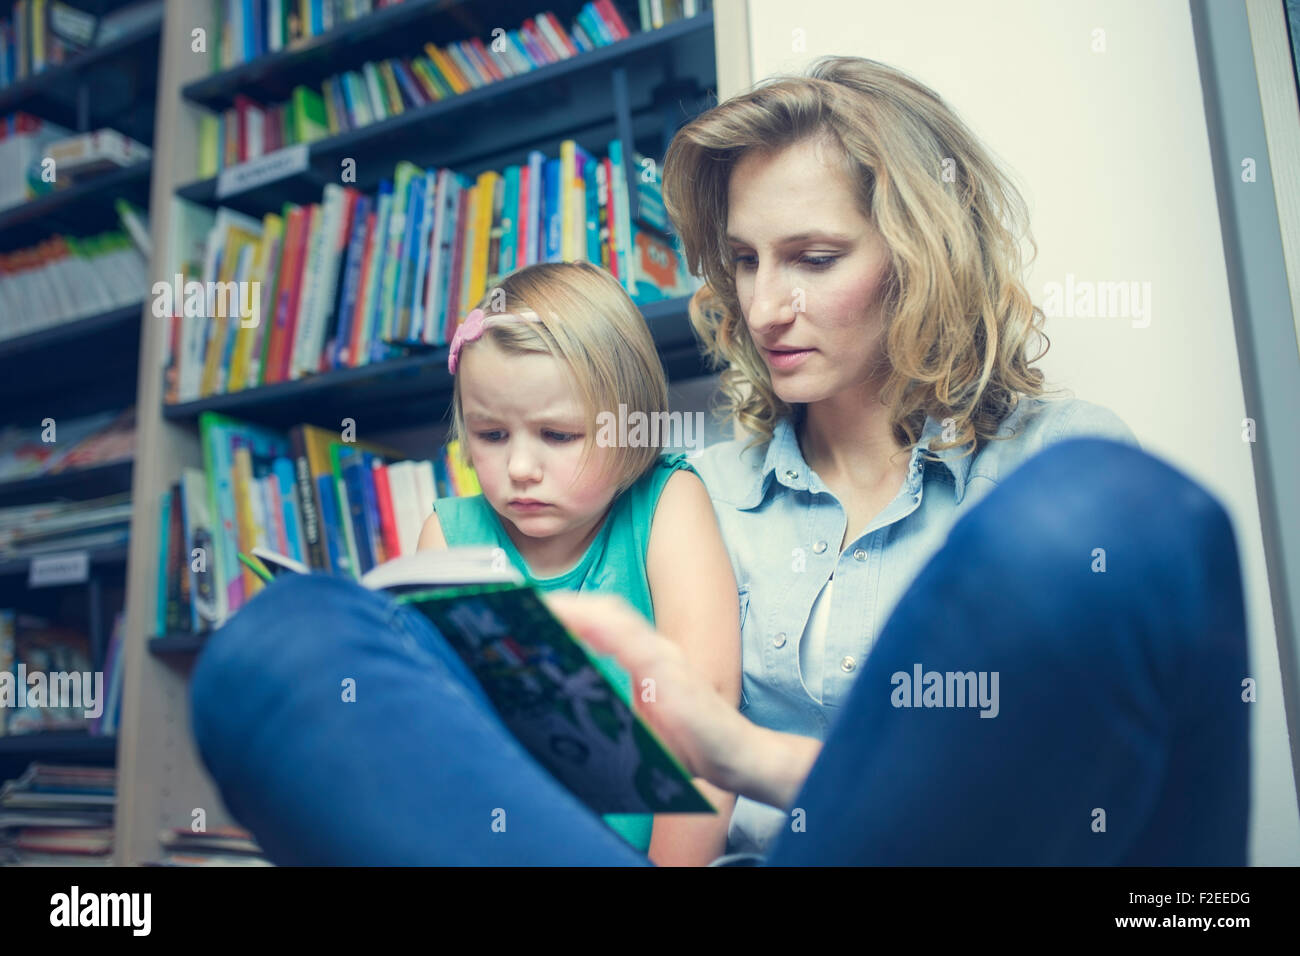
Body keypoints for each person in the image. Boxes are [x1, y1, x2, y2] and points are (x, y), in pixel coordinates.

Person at [188, 55, 1249, 865]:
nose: (761, 305)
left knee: (1114, 512)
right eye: (742, 259)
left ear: (925, 256)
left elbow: (1046, 797)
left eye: (813, 258)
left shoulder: (1052, 470)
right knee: (276, 645)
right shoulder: (694, 488)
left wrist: (741, 755)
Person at [411, 261, 739, 864]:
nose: (519, 469)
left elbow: (708, 723)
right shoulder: (449, 536)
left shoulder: (667, 503)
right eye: (490, 434)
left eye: (557, 435)